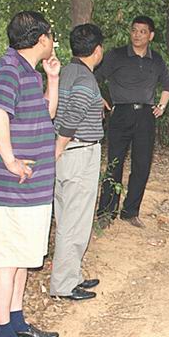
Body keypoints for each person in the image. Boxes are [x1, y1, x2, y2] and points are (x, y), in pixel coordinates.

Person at [0, 11, 60, 337]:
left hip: (33, 188)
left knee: (21, 259)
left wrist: (52, 79)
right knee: (6, 261)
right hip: (13, 189)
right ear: (41, 39)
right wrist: (10, 160)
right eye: (51, 35)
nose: (53, 41)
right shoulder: (8, 69)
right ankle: (2, 336)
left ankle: (16, 322)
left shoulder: (29, 71)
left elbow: (47, 114)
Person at [95, 16, 169, 229]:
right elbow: (94, 77)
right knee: (115, 163)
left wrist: (162, 106)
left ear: (151, 36)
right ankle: (106, 212)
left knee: (142, 165)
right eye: (134, 30)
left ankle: (131, 211)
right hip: (120, 113)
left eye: (142, 31)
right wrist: (99, 98)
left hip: (146, 116)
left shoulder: (156, 60)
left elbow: (168, 85)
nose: (137, 35)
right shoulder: (116, 55)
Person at [49, 24, 105, 301]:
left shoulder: (68, 72)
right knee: (75, 222)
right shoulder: (85, 78)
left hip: (68, 154)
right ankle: (63, 284)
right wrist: (60, 146)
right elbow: (74, 114)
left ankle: (72, 275)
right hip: (78, 153)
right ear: (97, 50)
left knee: (66, 218)